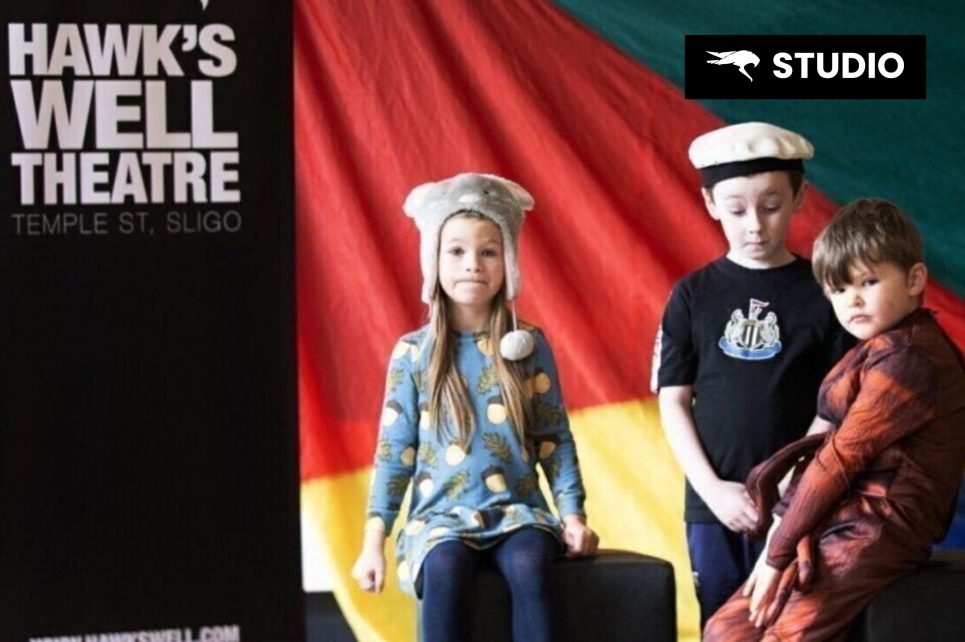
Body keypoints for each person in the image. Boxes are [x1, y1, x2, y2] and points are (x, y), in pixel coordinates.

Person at [351, 172, 598, 642]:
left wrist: (574, 517)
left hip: (517, 511)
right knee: (444, 567)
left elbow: (554, 439)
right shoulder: (412, 354)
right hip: (438, 520)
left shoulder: (528, 347)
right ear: (434, 261)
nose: (473, 265)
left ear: (507, 261)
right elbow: (393, 454)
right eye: (457, 251)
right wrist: (373, 544)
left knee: (529, 564)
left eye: (489, 251)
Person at [704, 197, 965, 641]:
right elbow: (821, 443)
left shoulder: (911, 357)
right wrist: (784, 531)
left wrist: (779, 548)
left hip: (881, 524)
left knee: (783, 634)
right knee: (725, 630)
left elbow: (842, 456)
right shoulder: (870, 351)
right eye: (839, 290)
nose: (854, 300)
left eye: (869, 281)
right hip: (836, 516)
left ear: (915, 279)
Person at [652, 122, 852, 627]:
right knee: (722, 625)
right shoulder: (691, 296)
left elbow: (837, 405)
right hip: (714, 504)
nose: (756, 226)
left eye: (771, 205)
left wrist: (792, 487)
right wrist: (713, 489)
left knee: (798, 624)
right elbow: (673, 401)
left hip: (802, 503)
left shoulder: (825, 295)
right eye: (738, 210)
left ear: (800, 196)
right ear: (711, 204)